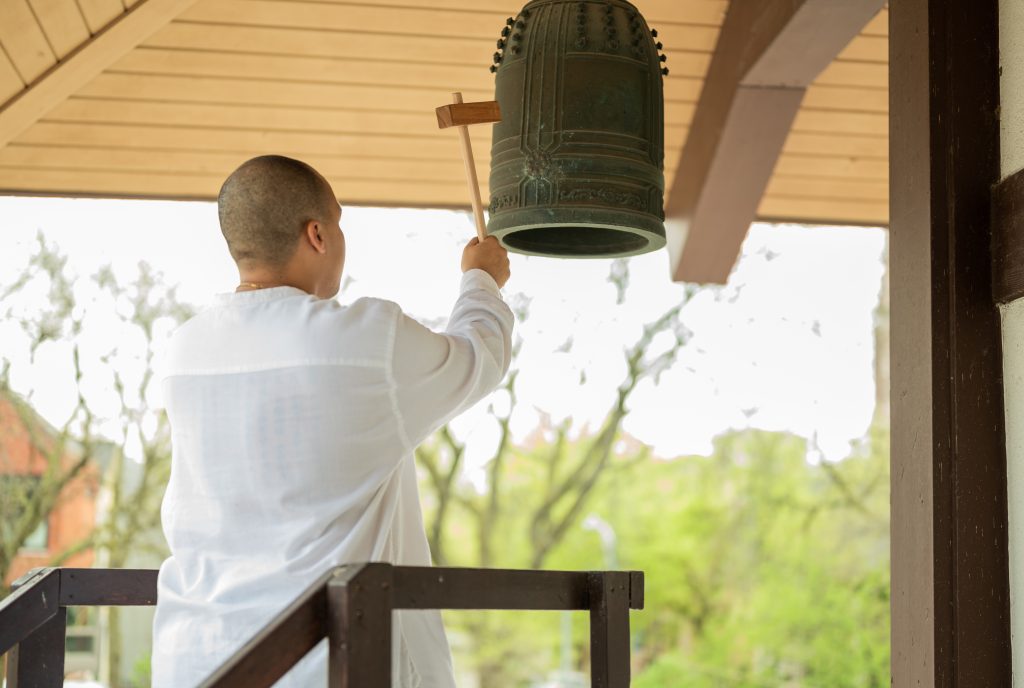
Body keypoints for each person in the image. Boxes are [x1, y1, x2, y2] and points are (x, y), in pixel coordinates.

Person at [151, 155, 513, 687]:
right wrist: (481, 280)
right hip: (330, 664)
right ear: (317, 234)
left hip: (199, 659)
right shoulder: (366, 342)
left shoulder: (183, 351)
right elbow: (477, 359)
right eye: (338, 223)